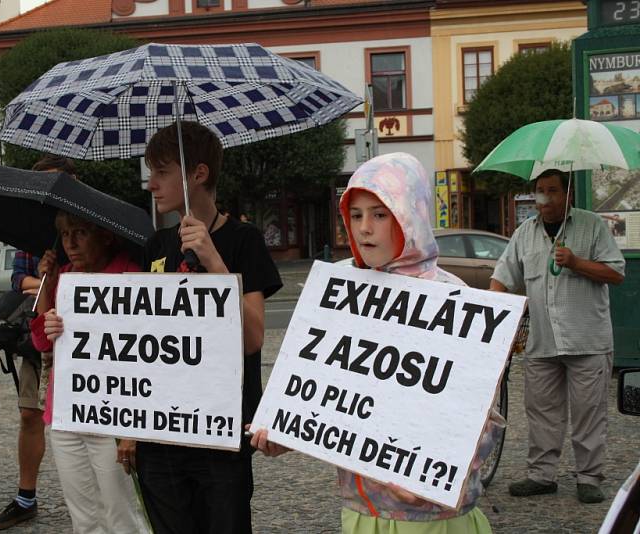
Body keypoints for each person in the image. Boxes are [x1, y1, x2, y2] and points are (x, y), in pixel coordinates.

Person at [252, 152, 501, 534]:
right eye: (356, 216)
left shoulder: (453, 298)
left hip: (436, 520)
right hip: (362, 512)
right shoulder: (338, 295)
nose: (365, 228)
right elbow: (326, 394)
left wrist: (433, 470)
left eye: (380, 214)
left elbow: (480, 419)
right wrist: (287, 431)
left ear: (410, 215)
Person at [127, 121, 282, 534]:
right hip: (160, 432)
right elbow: (139, 338)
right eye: (150, 172)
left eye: (161, 172)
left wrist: (214, 262)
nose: (151, 184)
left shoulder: (242, 240)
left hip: (221, 429)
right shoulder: (156, 246)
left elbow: (251, 339)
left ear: (199, 174)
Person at [490, 169, 625, 504]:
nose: (545, 198)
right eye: (539, 191)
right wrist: (491, 312)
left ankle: (589, 478)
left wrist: (577, 262)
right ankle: (541, 475)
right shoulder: (524, 233)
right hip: (542, 342)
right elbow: (502, 278)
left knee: (588, 412)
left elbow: (616, 273)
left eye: (552, 190)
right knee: (541, 412)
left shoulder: (592, 226)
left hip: (587, 339)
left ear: (568, 195)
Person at [32, 211, 150, 534]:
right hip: (66, 413)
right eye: (66, 234)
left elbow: (145, 351)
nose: (70, 242)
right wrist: (48, 289)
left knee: (120, 513)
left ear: (105, 236)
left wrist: (132, 429)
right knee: (83, 517)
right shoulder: (64, 276)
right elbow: (42, 341)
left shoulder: (128, 272)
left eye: (80, 233)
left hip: (113, 413)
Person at [0, 154, 77, 531]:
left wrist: (60, 280)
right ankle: (27, 496)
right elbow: (18, 279)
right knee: (29, 413)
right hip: (40, 331)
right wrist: (46, 281)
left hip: (85, 336)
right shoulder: (32, 231)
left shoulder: (88, 224)